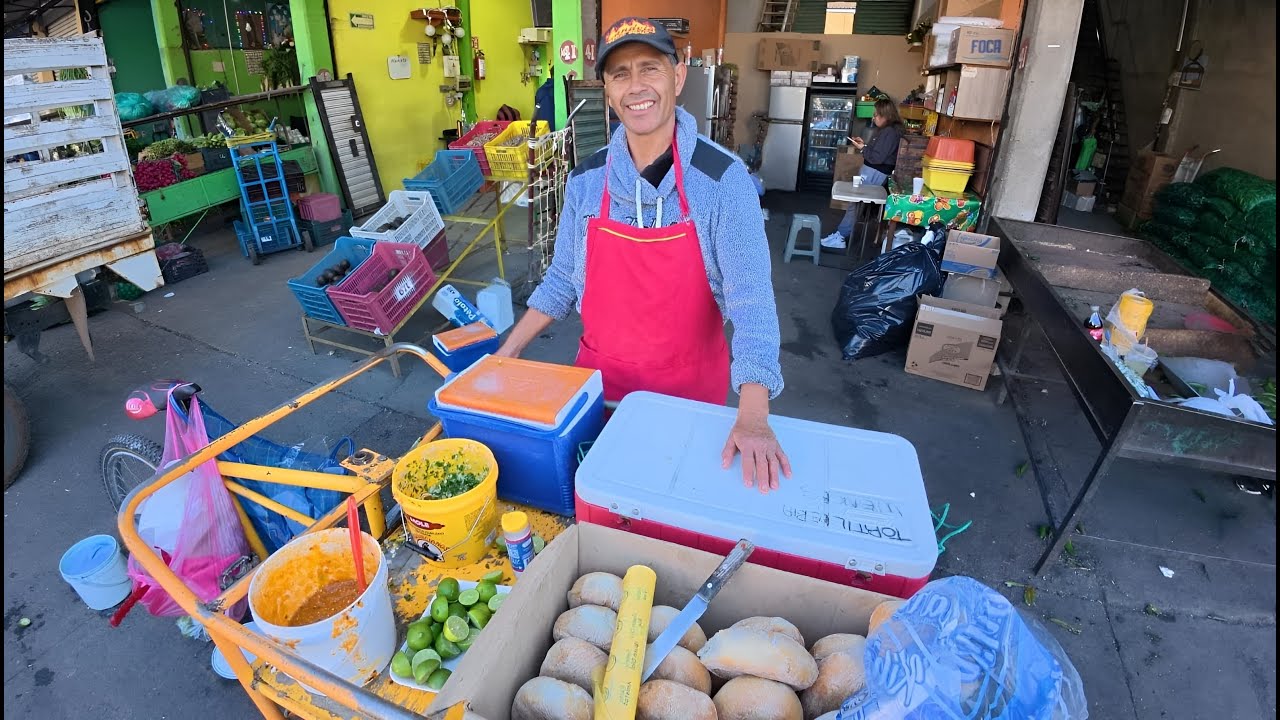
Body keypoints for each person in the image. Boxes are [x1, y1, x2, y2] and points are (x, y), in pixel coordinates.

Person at [496, 17, 791, 493]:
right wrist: (505, 355)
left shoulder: (722, 181)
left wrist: (753, 417)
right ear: (608, 91)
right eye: (620, 74)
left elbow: (752, 305)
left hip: (690, 403)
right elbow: (562, 281)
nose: (636, 86)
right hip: (600, 394)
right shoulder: (587, 181)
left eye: (650, 69)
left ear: (678, 76)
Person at [821, 98, 904, 249]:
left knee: (855, 203)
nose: (874, 118)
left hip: (874, 171)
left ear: (885, 115)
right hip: (873, 170)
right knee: (855, 203)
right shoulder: (888, 130)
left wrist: (863, 148)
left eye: (876, 115)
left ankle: (841, 236)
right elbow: (878, 153)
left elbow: (877, 157)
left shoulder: (890, 132)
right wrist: (864, 145)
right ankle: (841, 234)